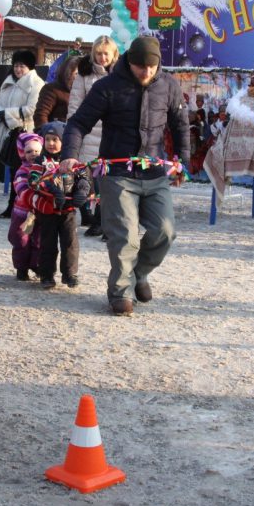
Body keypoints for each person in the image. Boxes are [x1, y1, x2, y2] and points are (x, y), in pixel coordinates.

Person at [60, 36, 190, 316]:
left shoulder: (168, 85)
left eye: (152, 68)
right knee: (125, 237)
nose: (146, 72)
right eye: (141, 67)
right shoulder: (106, 87)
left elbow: (181, 126)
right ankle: (119, 292)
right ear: (129, 61)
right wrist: (70, 153)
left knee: (165, 232)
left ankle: (139, 274)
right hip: (117, 173)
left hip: (155, 173)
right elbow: (78, 123)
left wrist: (183, 162)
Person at [67, 35, 119, 236]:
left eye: (106, 53)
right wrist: (72, 130)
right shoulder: (84, 75)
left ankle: (104, 220)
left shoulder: (120, 75)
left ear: (113, 54)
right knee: (92, 180)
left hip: (111, 132)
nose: (102, 57)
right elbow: (75, 103)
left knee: (109, 180)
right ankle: (95, 217)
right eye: (98, 53)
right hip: (89, 131)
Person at [29, 121, 88, 289]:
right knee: (47, 243)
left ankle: (69, 274)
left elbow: (84, 177)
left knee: (70, 243)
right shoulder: (40, 162)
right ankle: (46, 275)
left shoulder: (72, 162)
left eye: (55, 139)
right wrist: (50, 188)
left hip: (68, 211)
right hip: (47, 210)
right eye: (47, 139)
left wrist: (82, 191)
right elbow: (32, 181)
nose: (51, 143)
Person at [0, 50, 44, 218]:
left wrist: (7, 114)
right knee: (14, 170)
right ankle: (13, 204)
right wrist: (1, 113)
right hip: (9, 131)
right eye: (16, 65)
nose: (18, 69)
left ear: (29, 67)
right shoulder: (7, 82)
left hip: (25, 133)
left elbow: (31, 110)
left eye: (22, 66)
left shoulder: (36, 84)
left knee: (24, 171)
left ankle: (20, 204)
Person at [9, 132, 43, 281]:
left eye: (37, 151)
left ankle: (36, 265)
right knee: (21, 240)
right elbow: (20, 187)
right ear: (23, 153)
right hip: (23, 212)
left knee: (38, 240)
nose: (33, 154)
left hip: (40, 211)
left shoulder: (46, 169)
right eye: (29, 151)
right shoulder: (22, 171)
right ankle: (21, 268)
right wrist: (31, 196)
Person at [33, 53, 76, 128]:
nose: (79, 77)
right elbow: (41, 115)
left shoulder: (84, 91)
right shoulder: (51, 89)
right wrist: (47, 134)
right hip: (56, 135)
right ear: (68, 73)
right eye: (76, 73)